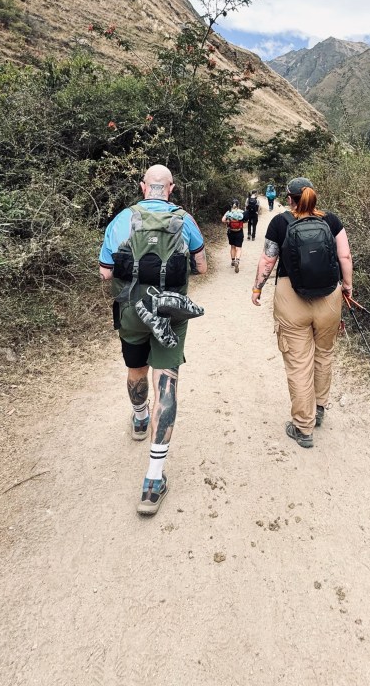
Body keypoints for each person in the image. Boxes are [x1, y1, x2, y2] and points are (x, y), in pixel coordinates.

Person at [99, 164, 207, 516]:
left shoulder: (122, 220)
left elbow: (104, 271)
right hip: (170, 315)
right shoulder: (184, 220)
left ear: (144, 186)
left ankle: (139, 416)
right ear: (171, 188)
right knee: (167, 383)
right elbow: (202, 266)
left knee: (135, 369)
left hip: (131, 311)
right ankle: (153, 479)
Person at [251, 177, 353, 448]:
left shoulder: (280, 223)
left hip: (291, 297)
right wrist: (348, 288)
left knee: (299, 362)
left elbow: (268, 259)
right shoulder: (331, 221)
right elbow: (344, 257)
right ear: (312, 197)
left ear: (289, 198)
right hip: (329, 297)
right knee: (324, 354)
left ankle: (303, 427)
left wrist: (257, 288)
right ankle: (319, 409)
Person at [222, 199, 245, 272]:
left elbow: (223, 220)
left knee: (232, 246)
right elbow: (245, 220)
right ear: (238, 205)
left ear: (231, 205)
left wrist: (228, 221)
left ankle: (232, 261)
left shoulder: (229, 212)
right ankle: (237, 261)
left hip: (231, 232)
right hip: (239, 232)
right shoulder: (241, 212)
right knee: (239, 248)